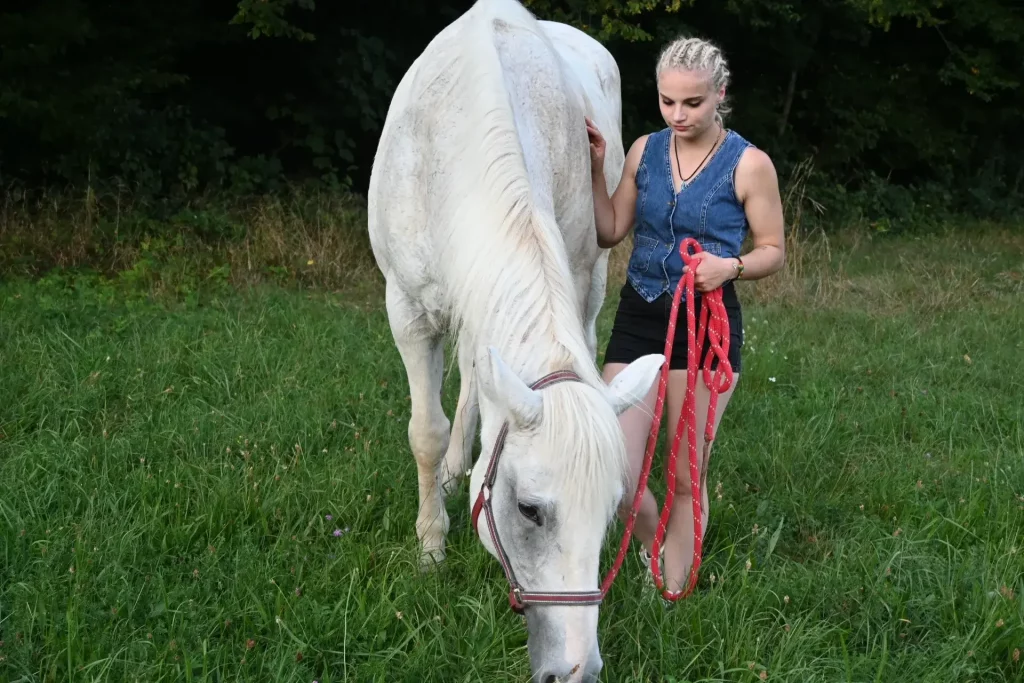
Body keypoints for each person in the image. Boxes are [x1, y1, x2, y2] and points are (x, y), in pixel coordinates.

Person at [586, 35, 785, 594]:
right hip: (639, 314)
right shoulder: (643, 151)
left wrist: (731, 267)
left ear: (720, 94)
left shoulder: (750, 164)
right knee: (618, 474)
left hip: (705, 325)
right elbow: (609, 231)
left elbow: (773, 248)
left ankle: (671, 594)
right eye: (667, 101)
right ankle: (653, 546)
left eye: (692, 103)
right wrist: (596, 167)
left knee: (682, 476)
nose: (678, 114)